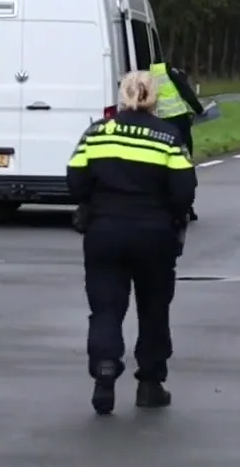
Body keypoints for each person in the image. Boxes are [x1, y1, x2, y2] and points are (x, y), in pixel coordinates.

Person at [66, 71, 197, 415]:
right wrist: (170, 216)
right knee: (154, 309)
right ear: (154, 98)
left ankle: (105, 369)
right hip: (153, 235)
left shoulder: (96, 132)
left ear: (122, 95)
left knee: (105, 308)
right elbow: (184, 191)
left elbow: (75, 181)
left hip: (104, 232)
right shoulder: (168, 136)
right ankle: (150, 383)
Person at [147, 59, 207, 220]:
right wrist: (199, 110)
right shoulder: (167, 71)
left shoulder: (140, 71)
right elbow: (186, 91)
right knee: (184, 162)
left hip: (157, 124)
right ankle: (187, 206)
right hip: (178, 121)